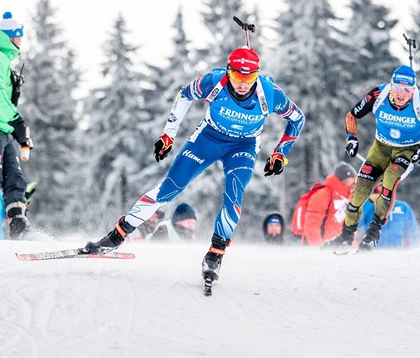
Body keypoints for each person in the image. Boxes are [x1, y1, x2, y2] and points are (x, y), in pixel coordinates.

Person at [84, 45, 305, 285]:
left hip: (243, 146)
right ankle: (116, 236)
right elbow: (184, 95)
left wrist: (281, 153)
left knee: (234, 196)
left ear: (257, 75)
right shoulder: (214, 82)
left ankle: (215, 255)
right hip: (208, 139)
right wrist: (168, 134)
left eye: (249, 78)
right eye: (237, 77)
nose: (243, 84)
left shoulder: (270, 93)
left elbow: (297, 118)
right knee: (170, 188)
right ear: (229, 71)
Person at [326, 65, 420, 251]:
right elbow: (352, 115)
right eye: (398, 87)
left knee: (390, 180)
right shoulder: (379, 94)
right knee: (360, 190)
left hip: (407, 151)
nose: (402, 94)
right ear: (391, 85)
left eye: (407, 89)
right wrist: (352, 138)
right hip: (381, 148)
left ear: (413, 90)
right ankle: (346, 235)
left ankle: (373, 235)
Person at [0, 12, 34, 239]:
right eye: (19, 37)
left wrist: (17, 130)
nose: (21, 41)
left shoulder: (3, 61)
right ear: (12, 38)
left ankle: (18, 225)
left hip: (1, 129)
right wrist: (16, 120)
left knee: (15, 180)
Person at [300, 162, 356, 246]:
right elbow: (312, 225)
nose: (355, 182)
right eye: (353, 178)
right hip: (324, 249)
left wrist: (352, 248)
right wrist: (318, 250)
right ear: (345, 178)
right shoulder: (323, 194)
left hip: (340, 250)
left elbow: (350, 229)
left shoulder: (348, 198)